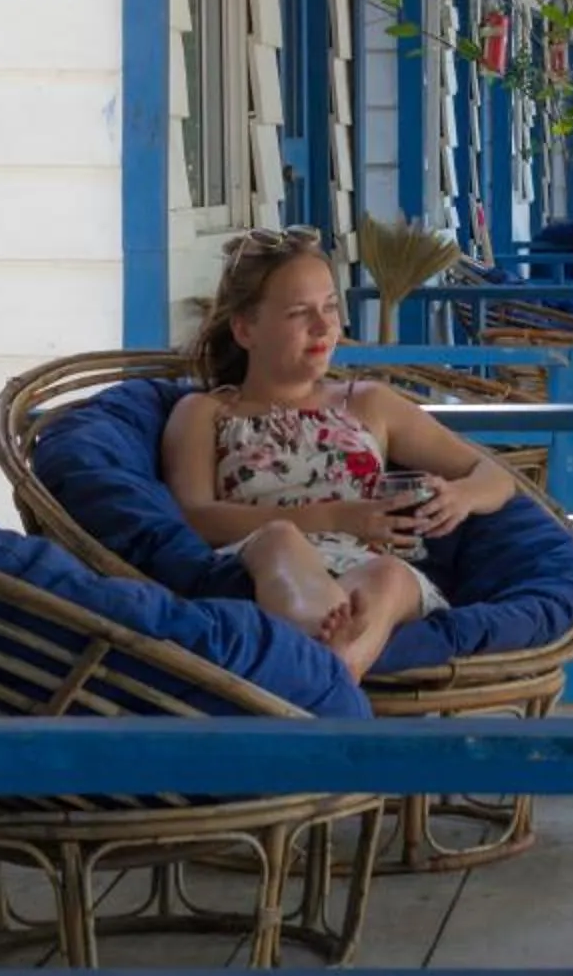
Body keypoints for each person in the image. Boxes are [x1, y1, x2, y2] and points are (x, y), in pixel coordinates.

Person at [160, 226, 521, 680]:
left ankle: (320, 672)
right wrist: (336, 517)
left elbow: (494, 475)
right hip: (267, 566)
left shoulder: (366, 402)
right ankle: (329, 662)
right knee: (279, 540)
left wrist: (461, 496)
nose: (324, 326)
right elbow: (194, 517)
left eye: (330, 307)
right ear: (246, 328)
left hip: (369, 567)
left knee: (390, 575)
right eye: (298, 313)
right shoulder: (204, 413)